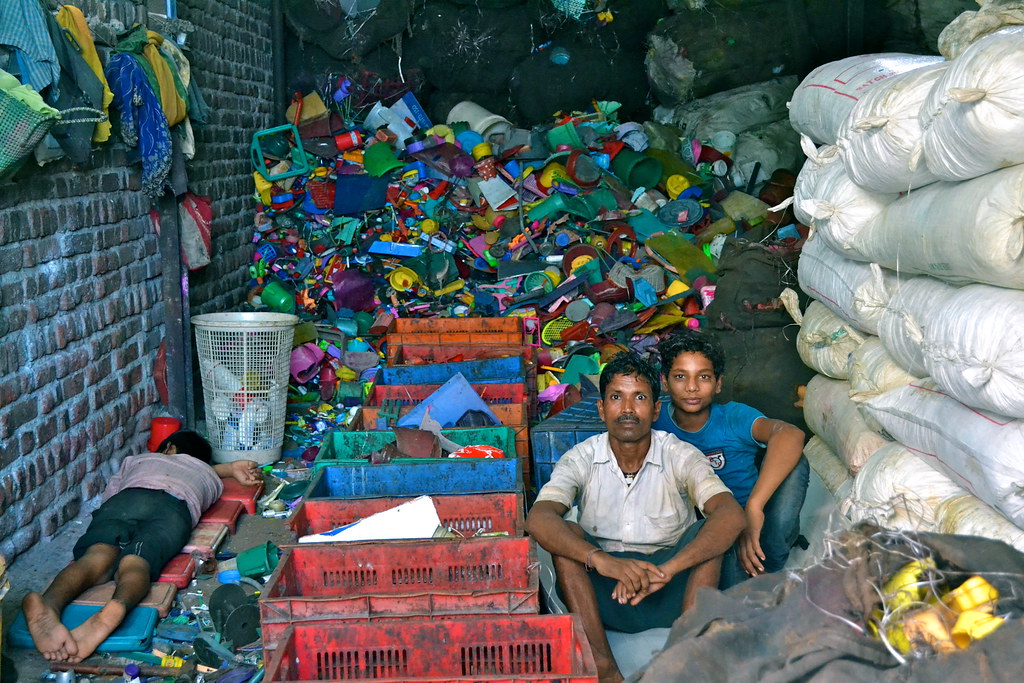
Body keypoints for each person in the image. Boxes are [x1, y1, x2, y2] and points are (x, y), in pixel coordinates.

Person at [526, 353, 745, 683]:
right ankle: (603, 666)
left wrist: (668, 569)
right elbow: (539, 519)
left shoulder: (680, 454)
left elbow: (731, 515)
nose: (627, 410)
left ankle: (682, 659)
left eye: (639, 398)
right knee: (565, 535)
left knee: (709, 532)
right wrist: (601, 561)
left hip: (670, 588)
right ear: (601, 408)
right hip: (605, 595)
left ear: (656, 410)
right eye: (616, 398)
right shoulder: (581, 457)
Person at [22, 430, 262, 663]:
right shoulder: (208, 477)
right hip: (172, 508)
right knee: (136, 563)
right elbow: (203, 492)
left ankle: (50, 604)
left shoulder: (137, 460)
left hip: (126, 501)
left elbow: (111, 493)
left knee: (95, 557)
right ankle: (115, 610)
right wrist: (229, 470)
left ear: (169, 447)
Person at [654, 329, 808, 589]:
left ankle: (769, 564)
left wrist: (754, 507)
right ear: (665, 382)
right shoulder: (656, 422)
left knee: (797, 463)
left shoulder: (732, 416)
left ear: (718, 383)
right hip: (705, 534)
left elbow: (791, 434)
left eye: (703, 377)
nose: (692, 387)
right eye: (680, 377)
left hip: (758, 529)